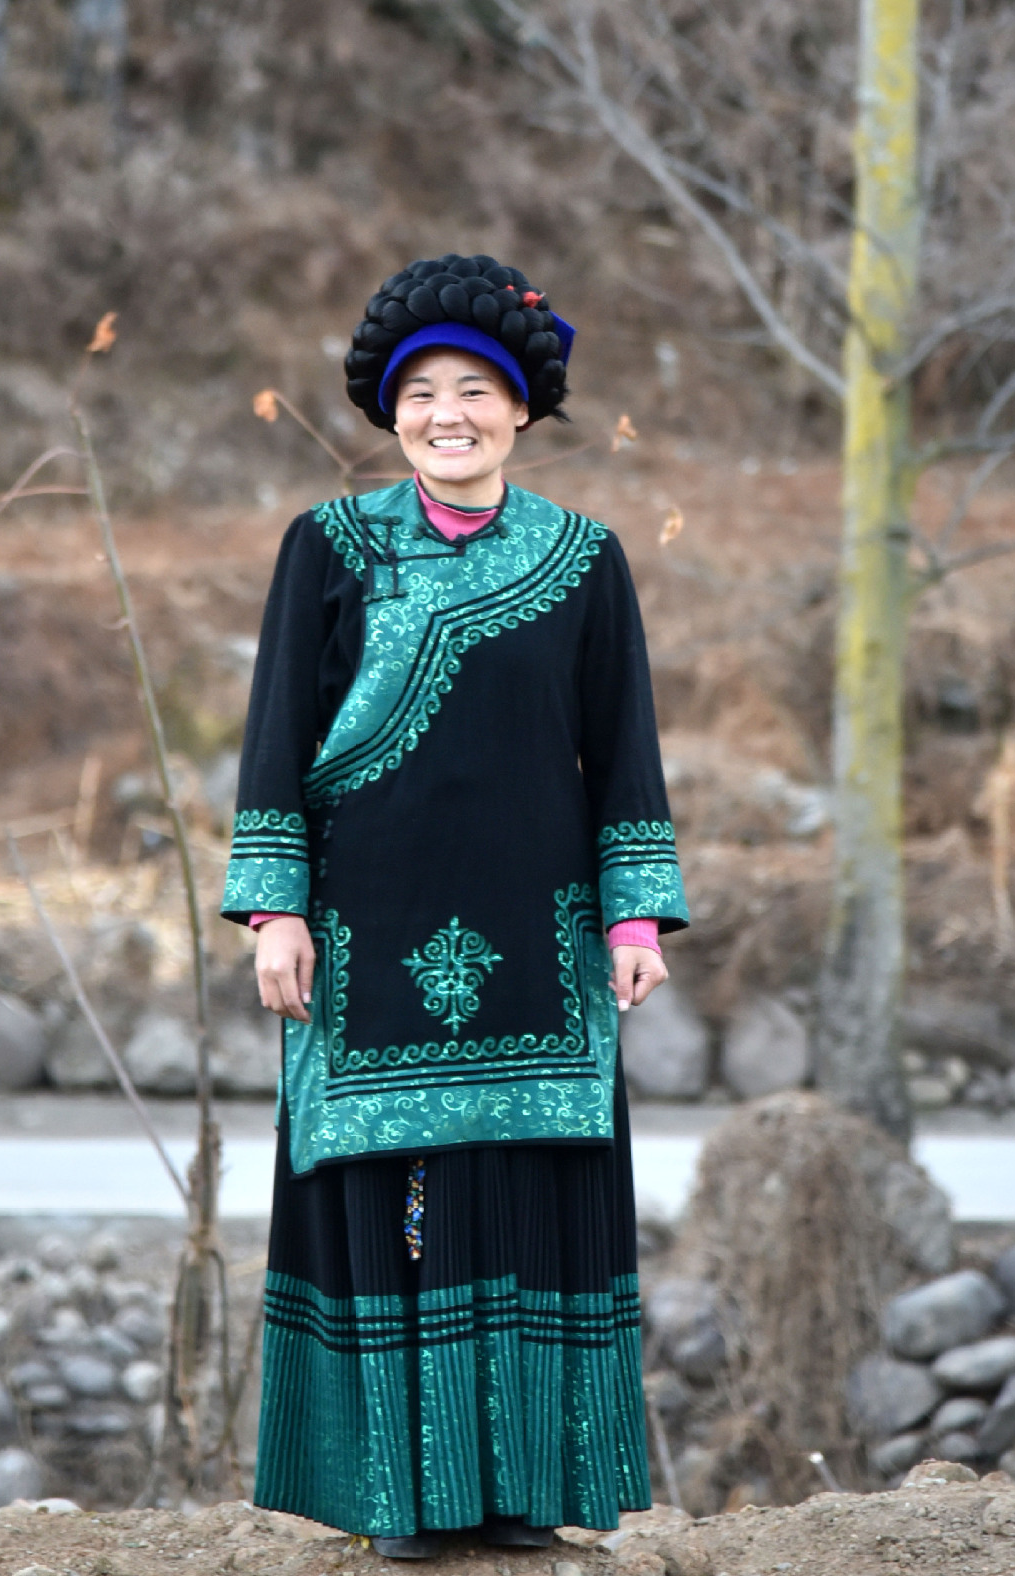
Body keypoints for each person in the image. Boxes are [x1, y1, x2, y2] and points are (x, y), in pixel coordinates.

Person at [221, 254, 687, 1558]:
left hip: (539, 942)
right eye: (421, 392)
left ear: (523, 407)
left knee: (527, 1200)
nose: (448, 414)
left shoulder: (585, 560)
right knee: (397, 1210)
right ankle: (404, 1503)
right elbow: (277, 739)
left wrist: (634, 920)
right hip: (366, 941)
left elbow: (626, 751)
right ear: (392, 410)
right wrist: (274, 912)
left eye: (475, 390)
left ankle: (527, 1494)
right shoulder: (328, 546)